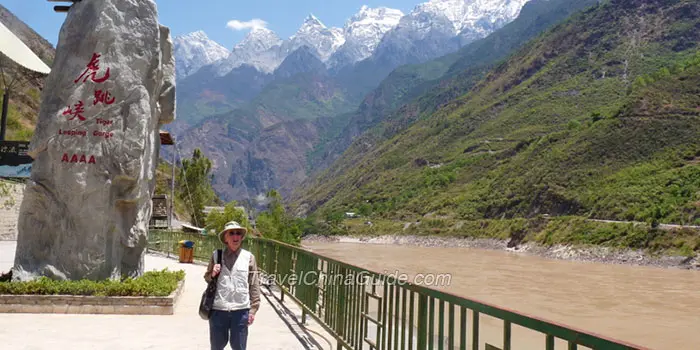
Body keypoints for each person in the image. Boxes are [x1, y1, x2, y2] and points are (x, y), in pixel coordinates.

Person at [204, 221, 261, 350]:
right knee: (216, 347)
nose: (236, 236)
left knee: (239, 347)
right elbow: (207, 278)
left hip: (240, 311)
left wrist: (253, 309)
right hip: (218, 310)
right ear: (226, 238)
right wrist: (212, 273)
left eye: (238, 233)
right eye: (232, 233)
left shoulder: (249, 258)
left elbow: (254, 284)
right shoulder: (216, 255)